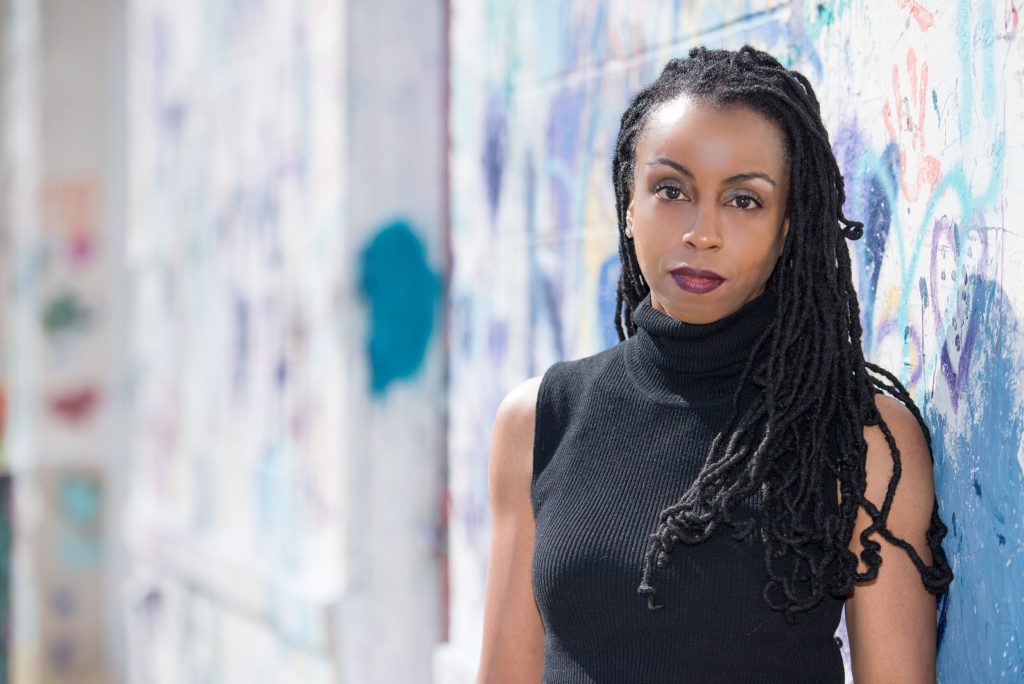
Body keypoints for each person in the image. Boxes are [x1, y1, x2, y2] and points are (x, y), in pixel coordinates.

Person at [476, 45, 953, 683]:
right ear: (628, 204)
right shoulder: (539, 419)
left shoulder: (858, 437)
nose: (702, 231)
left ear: (789, 227)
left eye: (744, 200)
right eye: (671, 190)